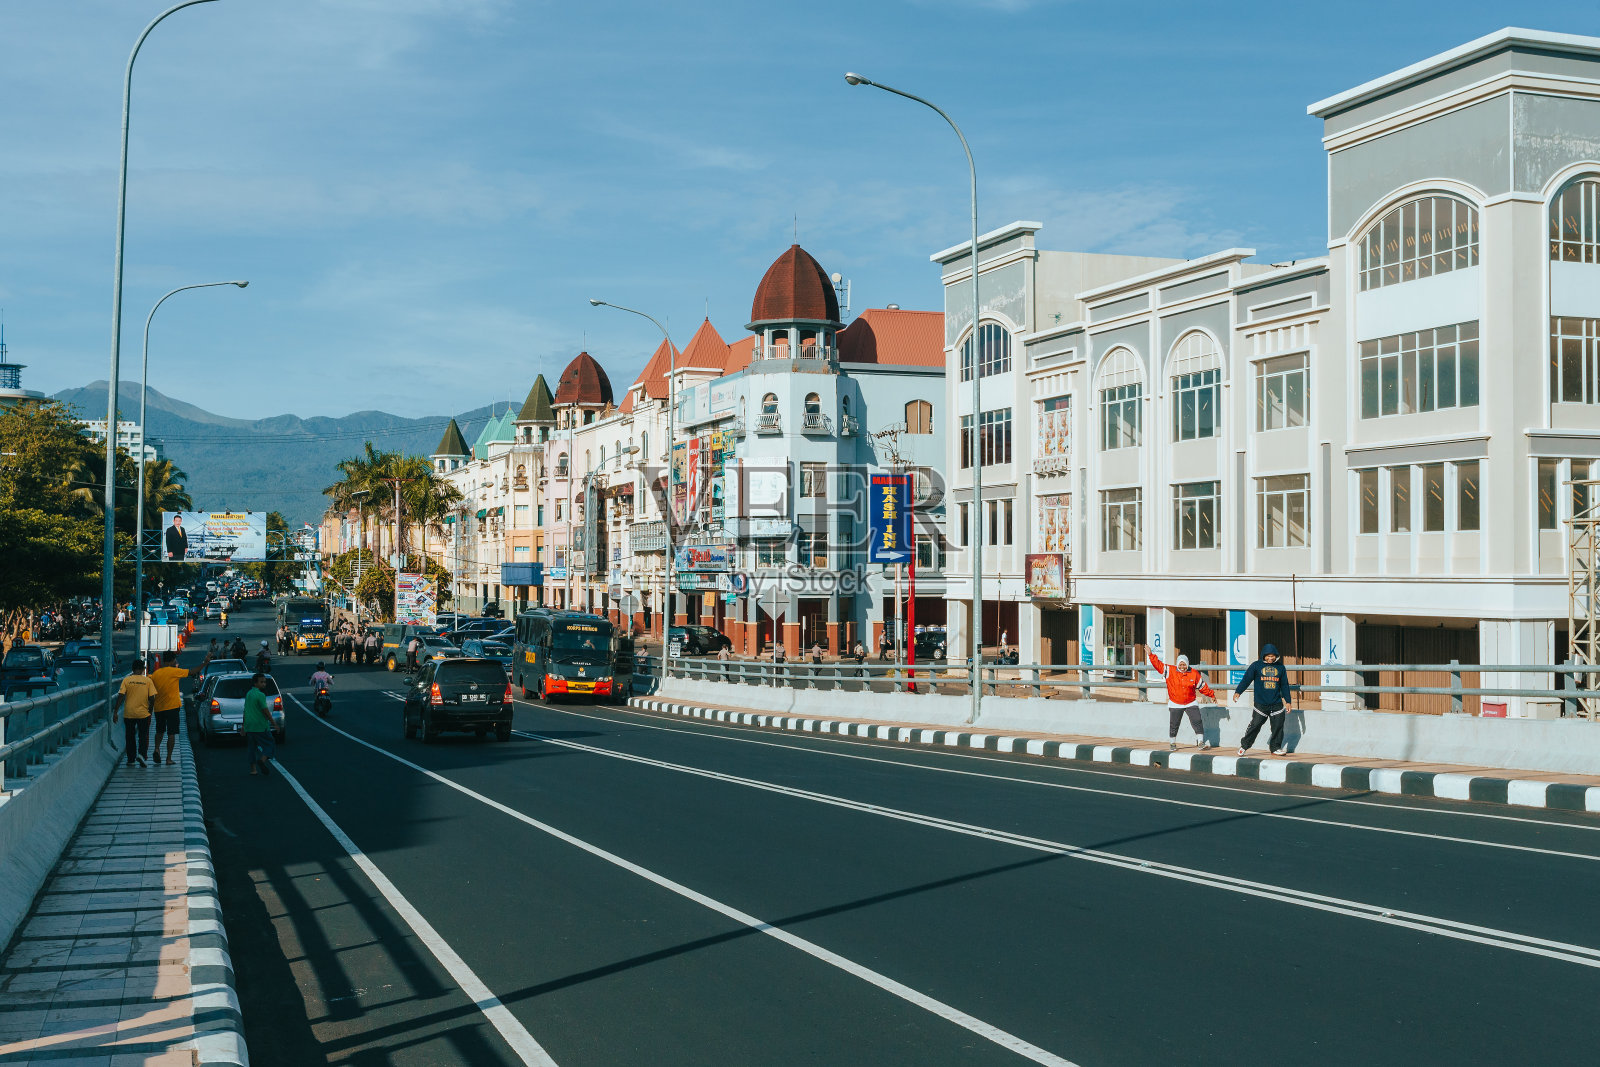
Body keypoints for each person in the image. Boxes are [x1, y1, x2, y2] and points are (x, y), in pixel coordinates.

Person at [1149, 649, 1214, 751]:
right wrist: (1150, 654)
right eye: (1180, 665)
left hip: (1190, 702)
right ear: (1177, 665)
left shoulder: (1194, 673)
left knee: (1197, 720)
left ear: (1187, 664)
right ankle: (1172, 743)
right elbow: (1158, 665)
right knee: (1174, 724)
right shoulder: (1169, 671)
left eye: (1184, 665)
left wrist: (1212, 695)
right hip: (1175, 703)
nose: (1182, 667)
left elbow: (1202, 687)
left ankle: (1200, 742)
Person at [1235, 643, 1293, 756]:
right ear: (1263, 655)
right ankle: (1244, 746)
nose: (1270, 658)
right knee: (1255, 726)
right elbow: (1246, 679)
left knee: (1278, 727)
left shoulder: (1281, 667)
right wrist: (1238, 691)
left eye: (1273, 656)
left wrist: (1288, 701)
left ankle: (1275, 747)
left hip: (1276, 703)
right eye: (1268, 656)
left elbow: (1285, 685)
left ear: (1276, 656)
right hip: (1261, 704)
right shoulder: (1256, 666)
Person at [149, 650, 191, 766]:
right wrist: (205, 663)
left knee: (159, 730)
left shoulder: (156, 674)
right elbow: (192, 672)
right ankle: (168, 758)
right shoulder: (175, 672)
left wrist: (150, 708)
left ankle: (157, 749)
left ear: (163, 660)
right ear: (172, 660)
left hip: (159, 708)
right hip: (172, 707)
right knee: (171, 733)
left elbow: (151, 692)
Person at [113, 659, 156, 768]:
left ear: (132, 669)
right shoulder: (148, 681)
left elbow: (121, 696)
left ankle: (131, 759)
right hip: (143, 714)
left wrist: (115, 712)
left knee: (130, 736)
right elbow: (152, 698)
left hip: (129, 713)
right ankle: (141, 755)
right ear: (143, 669)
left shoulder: (126, 680)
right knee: (143, 735)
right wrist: (150, 711)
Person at [242, 672, 275, 776]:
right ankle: (262, 760)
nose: (264, 684)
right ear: (255, 683)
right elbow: (265, 710)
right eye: (261, 682)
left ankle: (253, 770)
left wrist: (243, 726)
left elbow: (245, 710)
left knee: (251, 748)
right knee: (270, 744)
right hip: (260, 725)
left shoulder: (249, 694)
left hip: (249, 726)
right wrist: (274, 723)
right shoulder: (260, 695)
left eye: (265, 682)